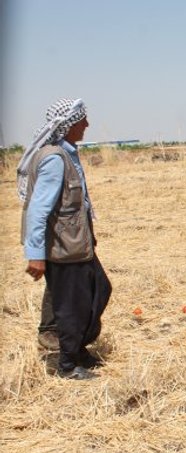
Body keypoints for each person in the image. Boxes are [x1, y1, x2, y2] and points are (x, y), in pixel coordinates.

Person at [18, 98, 112, 379]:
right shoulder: (55, 160)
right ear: (69, 124)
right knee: (72, 306)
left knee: (100, 289)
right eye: (82, 119)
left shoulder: (66, 153)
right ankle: (68, 365)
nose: (87, 124)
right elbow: (38, 209)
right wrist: (35, 255)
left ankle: (77, 348)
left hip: (76, 244)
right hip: (63, 247)